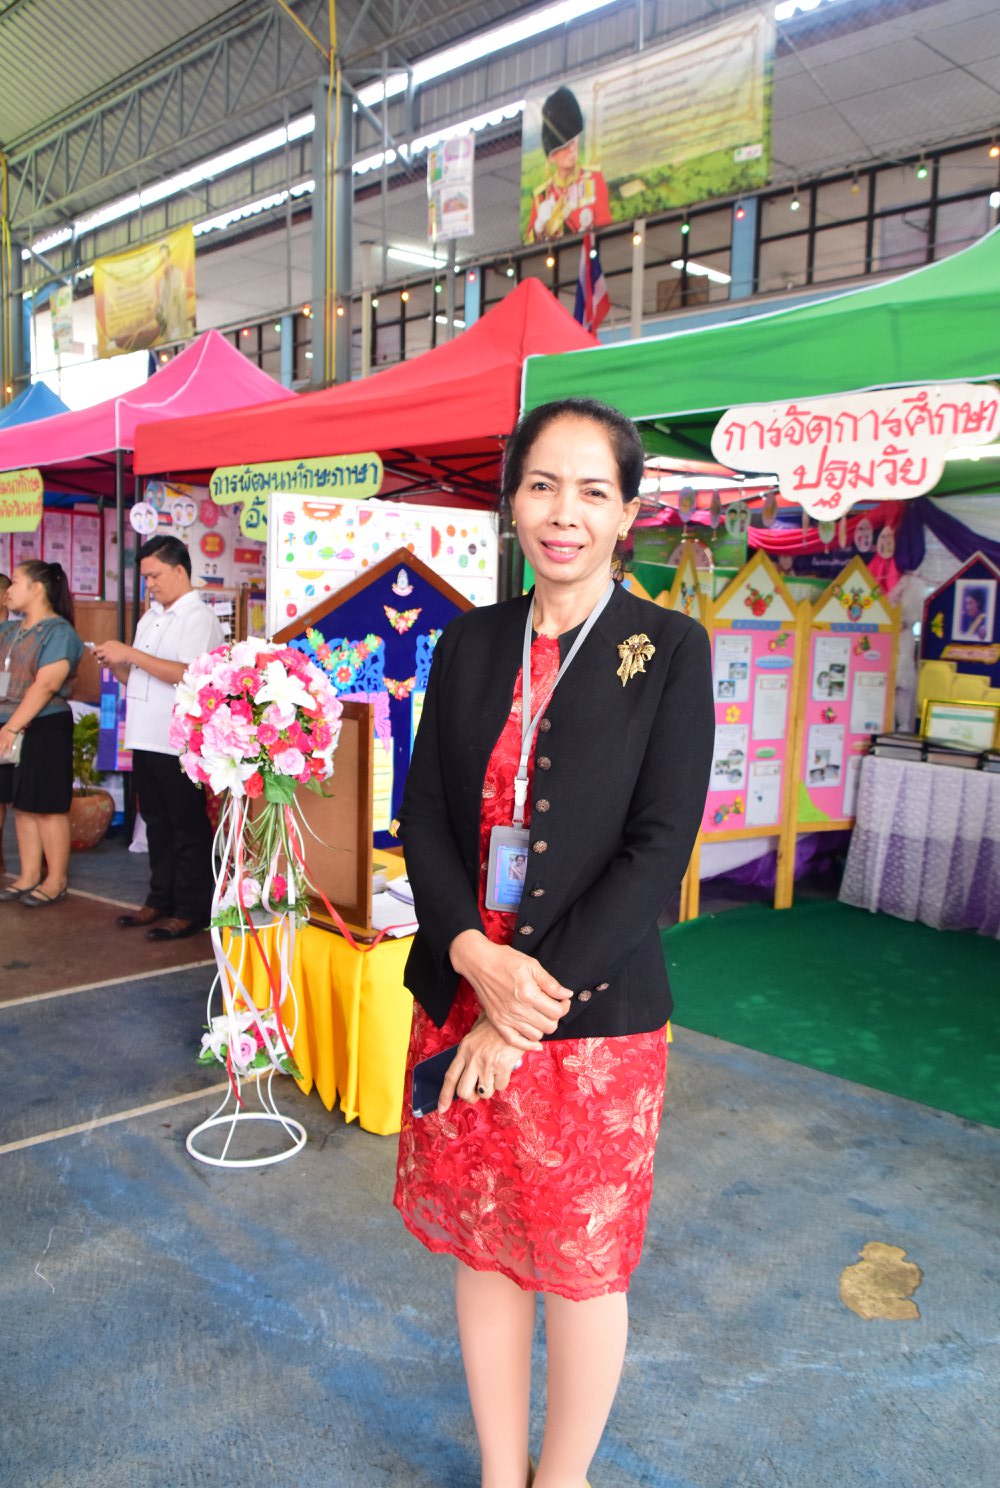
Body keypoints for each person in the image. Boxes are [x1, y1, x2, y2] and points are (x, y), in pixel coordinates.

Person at [394, 398, 715, 1488]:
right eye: (541, 486)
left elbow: (659, 845)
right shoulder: (468, 641)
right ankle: (501, 1470)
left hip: (591, 1020)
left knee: (580, 1265)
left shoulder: (666, 650)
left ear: (628, 512)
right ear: (513, 501)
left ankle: (562, 1477)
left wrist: (524, 1004)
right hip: (461, 994)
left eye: (591, 491)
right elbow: (423, 816)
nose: (562, 513)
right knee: (486, 1248)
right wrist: (469, 956)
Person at [94, 535, 222, 940]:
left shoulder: (198, 616)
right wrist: (116, 662)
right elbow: (139, 677)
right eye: (146, 577)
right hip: (144, 735)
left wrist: (130, 654)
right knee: (156, 823)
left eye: (155, 575)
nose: (149, 584)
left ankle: (191, 908)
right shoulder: (150, 617)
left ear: (180, 570)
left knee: (186, 826)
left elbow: (187, 673)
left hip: (178, 740)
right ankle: (160, 898)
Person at [0, 561, 85, 907]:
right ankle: (28, 875)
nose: (8, 590)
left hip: (44, 725)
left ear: (36, 588)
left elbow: (46, 685)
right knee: (22, 804)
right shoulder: (10, 631)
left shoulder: (59, 632)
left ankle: (56, 880)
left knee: (47, 806)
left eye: (15, 582)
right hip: (9, 724)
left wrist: (11, 727)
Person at [526, 86, 611, 243]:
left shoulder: (594, 179)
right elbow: (530, 244)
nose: (572, 149)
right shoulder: (541, 197)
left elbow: (606, 226)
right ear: (552, 157)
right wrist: (539, 227)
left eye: (573, 141)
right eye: (564, 146)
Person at [156, 242, 188, 342]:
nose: (163, 263)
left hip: (177, 327)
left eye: (165, 260)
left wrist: (183, 331)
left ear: (169, 258)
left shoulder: (178, 276)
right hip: (167, 331)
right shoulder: (161, 282)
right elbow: (161, 306)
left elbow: (182, 304)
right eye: (161, 261)